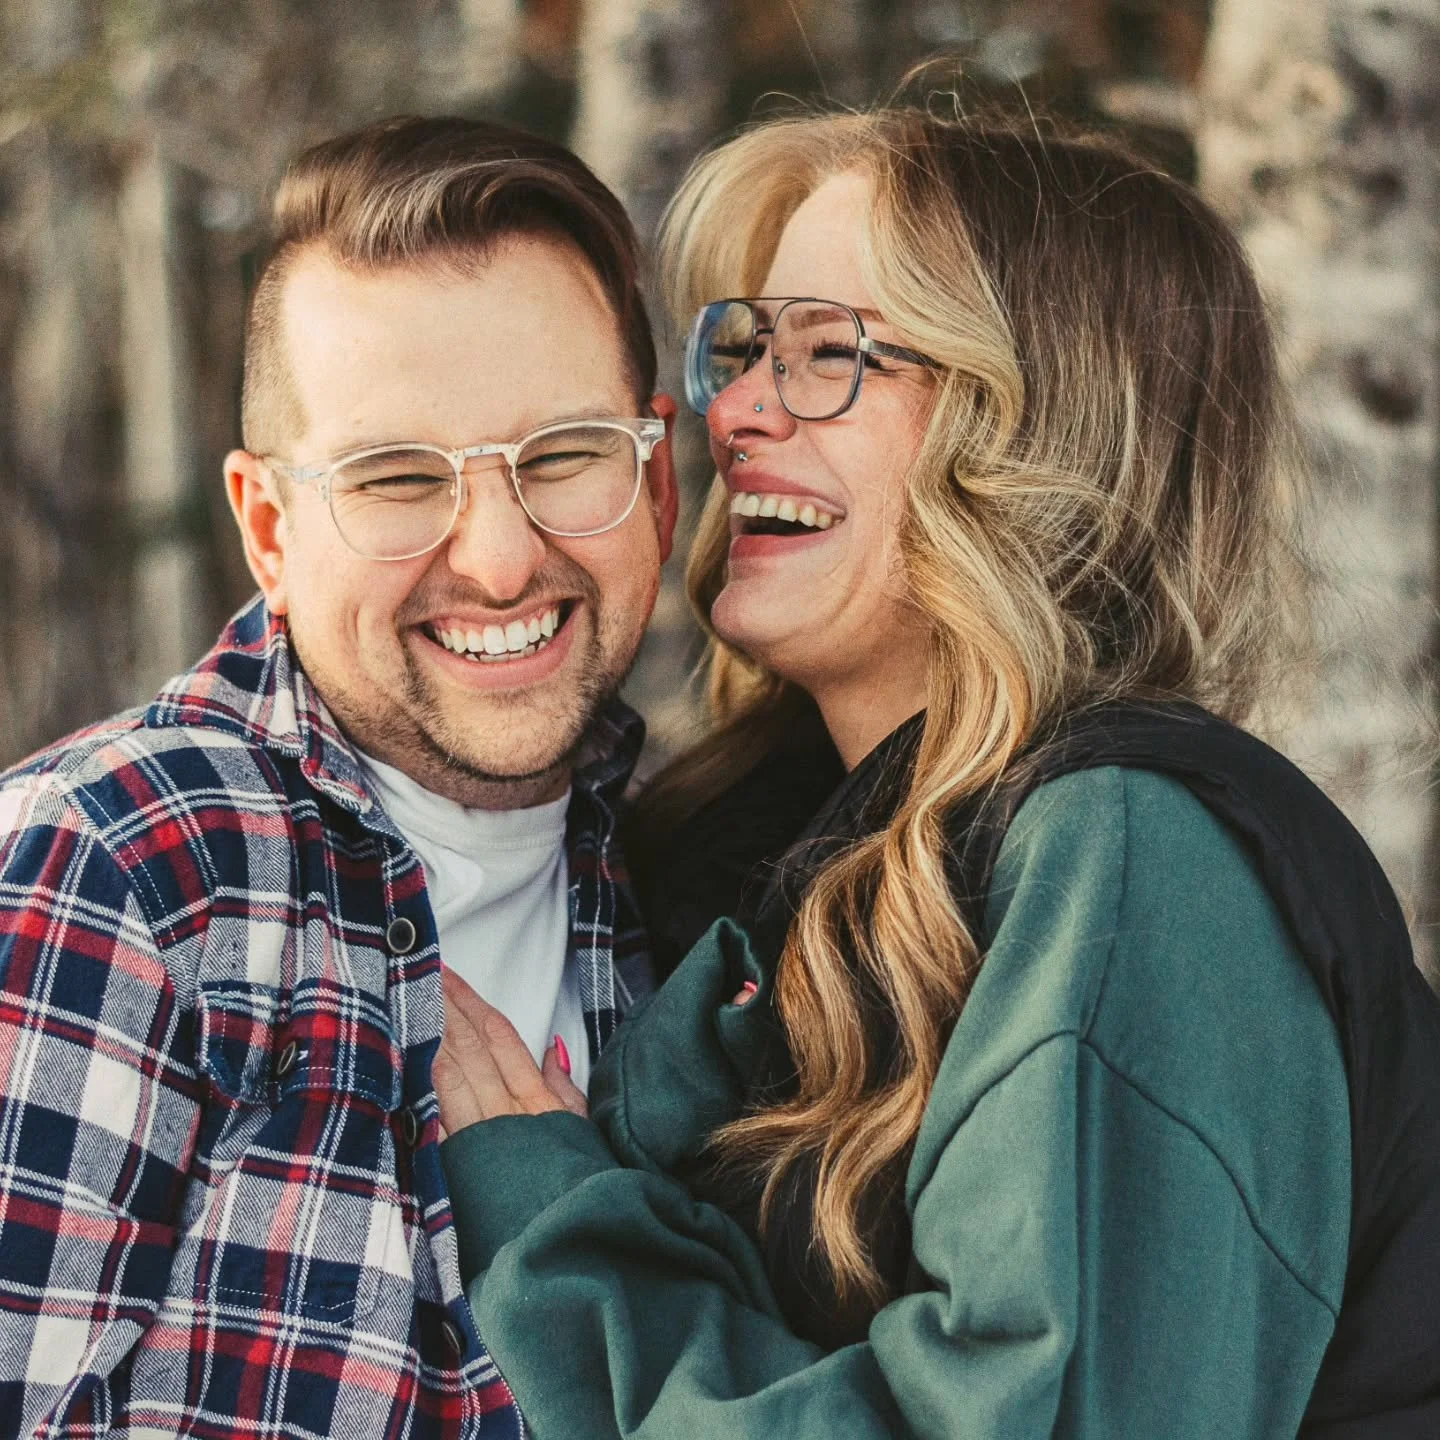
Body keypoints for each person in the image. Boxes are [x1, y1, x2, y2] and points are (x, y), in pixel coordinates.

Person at [433, 107, 1440, 1437]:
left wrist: (562, 1238)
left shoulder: (1137, 862)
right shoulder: (786, 863)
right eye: (750, 349)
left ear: (1039, 432)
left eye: (830, 355)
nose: (732, 411)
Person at [0, 115, 680, 1438]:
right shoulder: (114, 871)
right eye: (395, 477)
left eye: (562, 457)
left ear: (654, 483)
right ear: (268, 528)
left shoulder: (693, 884)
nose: (495, 558)